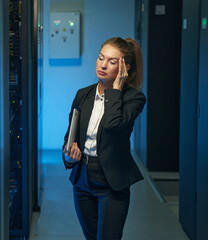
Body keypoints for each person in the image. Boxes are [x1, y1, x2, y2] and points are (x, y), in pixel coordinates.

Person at [62, 37, 146, 240]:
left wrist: (116, 90)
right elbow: (69, 137)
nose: (103, 64)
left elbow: (113, 125)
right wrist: (68, 156)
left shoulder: (134, 98)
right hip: (82, 179)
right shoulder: (83, 95)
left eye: (112, 61)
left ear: (125, 68)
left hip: (111, 183)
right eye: (101, 58)